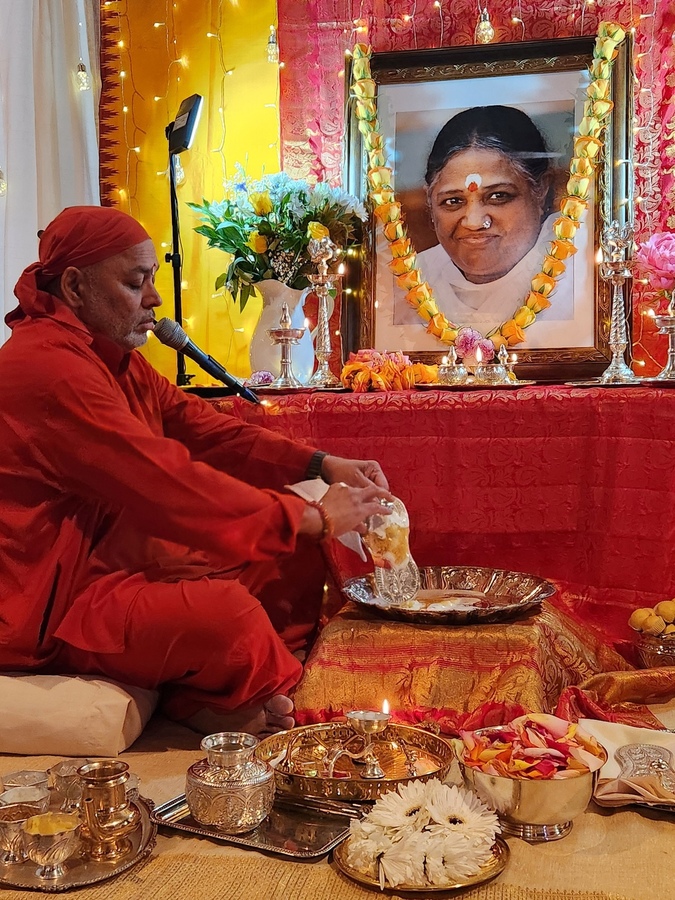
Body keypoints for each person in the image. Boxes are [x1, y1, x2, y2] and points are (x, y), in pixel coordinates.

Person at [0, 205, 392, 737]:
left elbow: (205, 428)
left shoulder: (110, 356)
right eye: (135, 283)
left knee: (291, 555)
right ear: (74, 287)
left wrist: (322, 466)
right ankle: (235, 690)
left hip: (117, 560)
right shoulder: (48, 369)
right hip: (58, 605)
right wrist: (309, 516)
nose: (154, 299)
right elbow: (166, 483)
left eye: (152, 279)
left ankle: (205, 691)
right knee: (226, 613)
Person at [410, 105, 575, 335]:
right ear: (430, 200)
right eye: (453, 201)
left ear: (541, 190)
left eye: (498, 196)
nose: (474, 222)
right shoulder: (409, 281)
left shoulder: (579, 277)